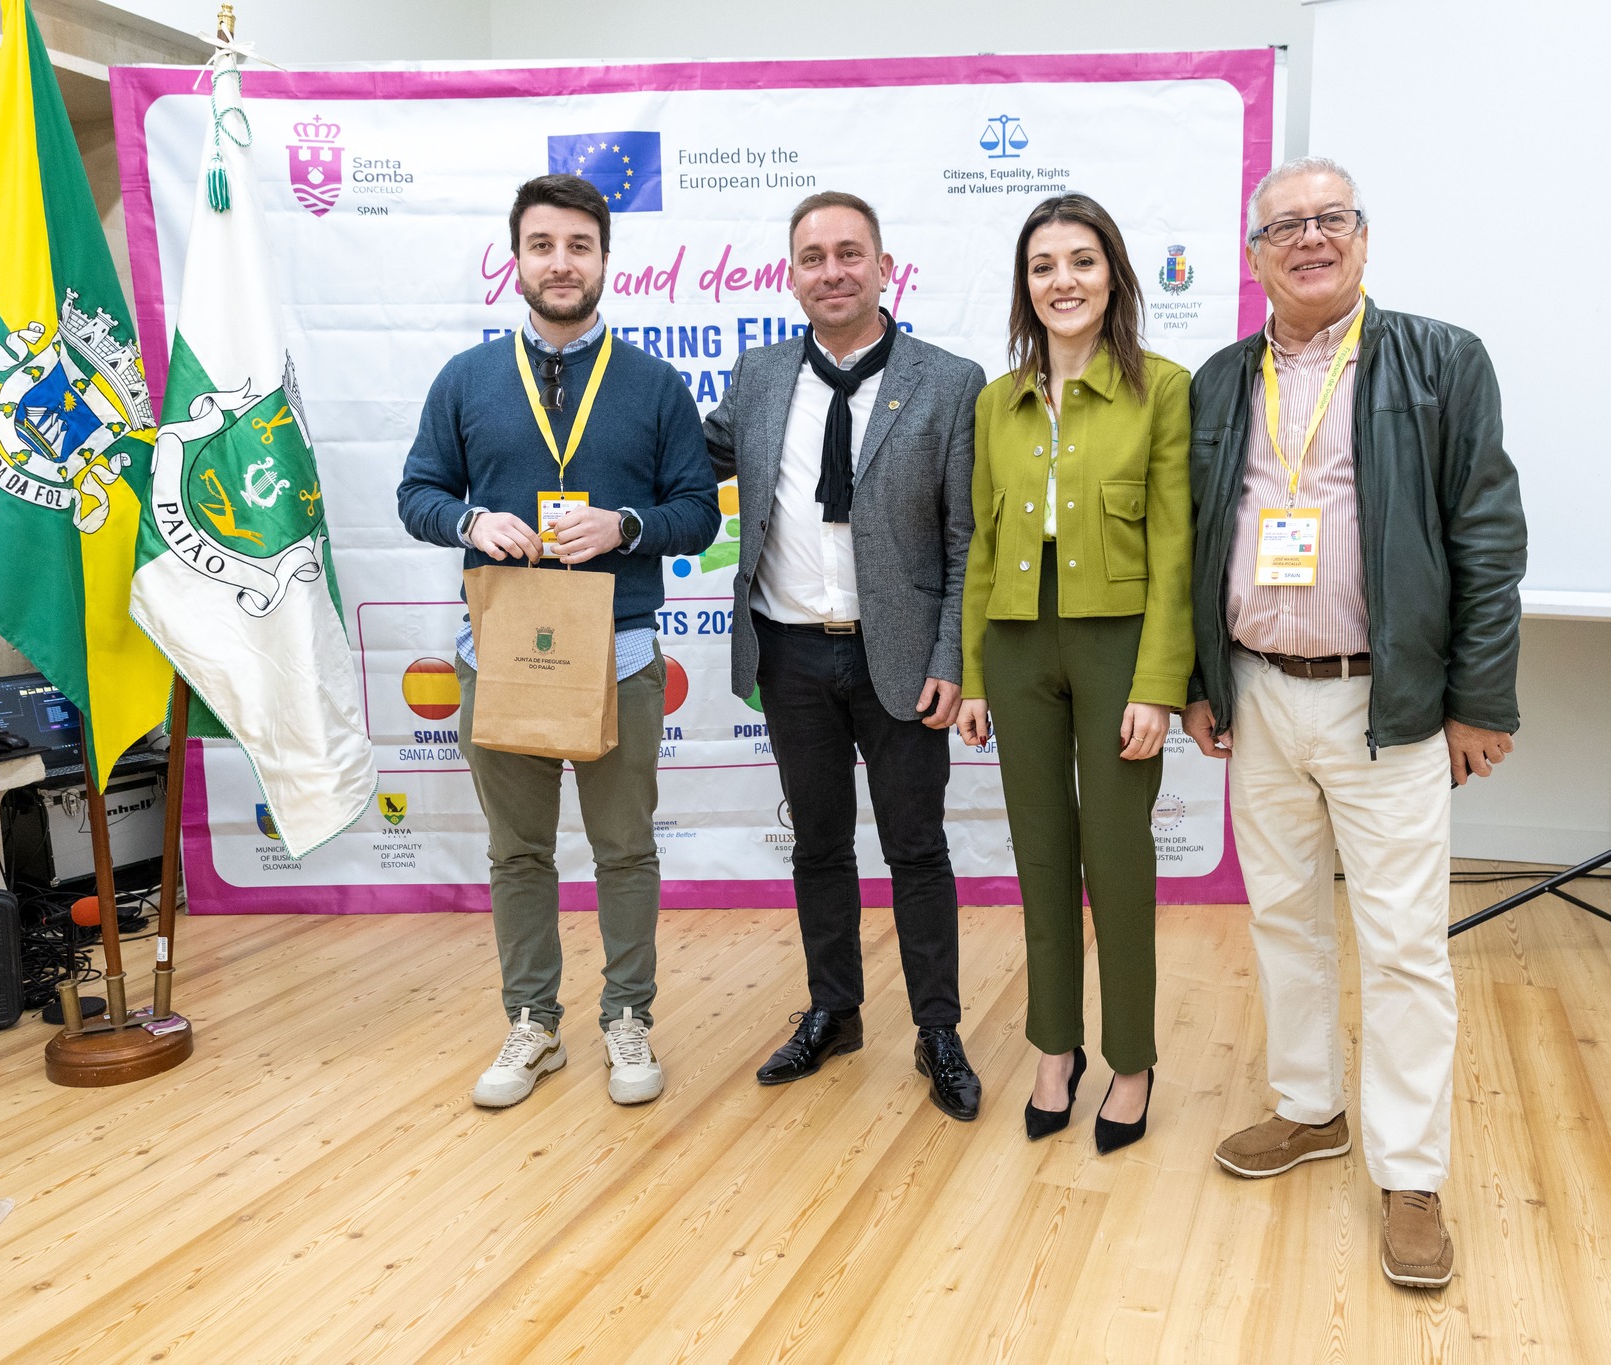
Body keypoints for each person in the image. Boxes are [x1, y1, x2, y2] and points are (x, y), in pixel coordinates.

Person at [1181, 156, 1526, 1288]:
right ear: (1255, 258)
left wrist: (1479, 700)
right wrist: (1202, 679)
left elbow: (1486, 538)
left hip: (1391, 704)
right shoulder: (1220, 380)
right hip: (1258, 692)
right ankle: (1308, 1107)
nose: (1309, 239)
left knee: (1404, 946)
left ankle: (1411, 1175)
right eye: (1284, 227)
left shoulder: (1439, 360)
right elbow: (1197, 537)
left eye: (1330, 219)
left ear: (1364, 238)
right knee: (1283, 918)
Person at [398, 173, 721, 1112]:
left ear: (605, 259)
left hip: (620, 654)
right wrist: (469, 522)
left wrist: (627, 525)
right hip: (500, 651)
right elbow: (417, 493)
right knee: (517, 853)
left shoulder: (654, 384)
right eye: (543, 245)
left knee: (624, 849)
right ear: (517, 260)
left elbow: (699, 512)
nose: (561, 263)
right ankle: (533, 1021)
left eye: (579, 245)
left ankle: (628, 1016)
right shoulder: (465, 380)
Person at [704, 191, 987, 1121]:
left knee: (918, 848)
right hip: (788, 654)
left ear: (884, 267)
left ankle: (938, 1029)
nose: (833, 271)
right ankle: (835, 1010)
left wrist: (952, 655)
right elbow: (685, 461)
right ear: (791, 276)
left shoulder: (950, 382)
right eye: (813, 257)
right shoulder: (758, 375)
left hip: (899, 658)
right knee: (819, 845)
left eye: (850, 253)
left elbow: (966, 541)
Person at [955, 194, 1193, 1153]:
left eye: (1082, 261)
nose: (1064, 281)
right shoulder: (996, 401)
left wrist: (1159, 684)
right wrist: (974, 675)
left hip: (1118, 645)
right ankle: (1056, 1049)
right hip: (1017, 642)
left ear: (1114, 276)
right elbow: (981, 546)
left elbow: (1176, 548)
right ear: (1026, 286)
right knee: (1041, 854)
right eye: (1044, 265)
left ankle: (1131, 1061)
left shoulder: (1162, 389)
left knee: (1119, 859)